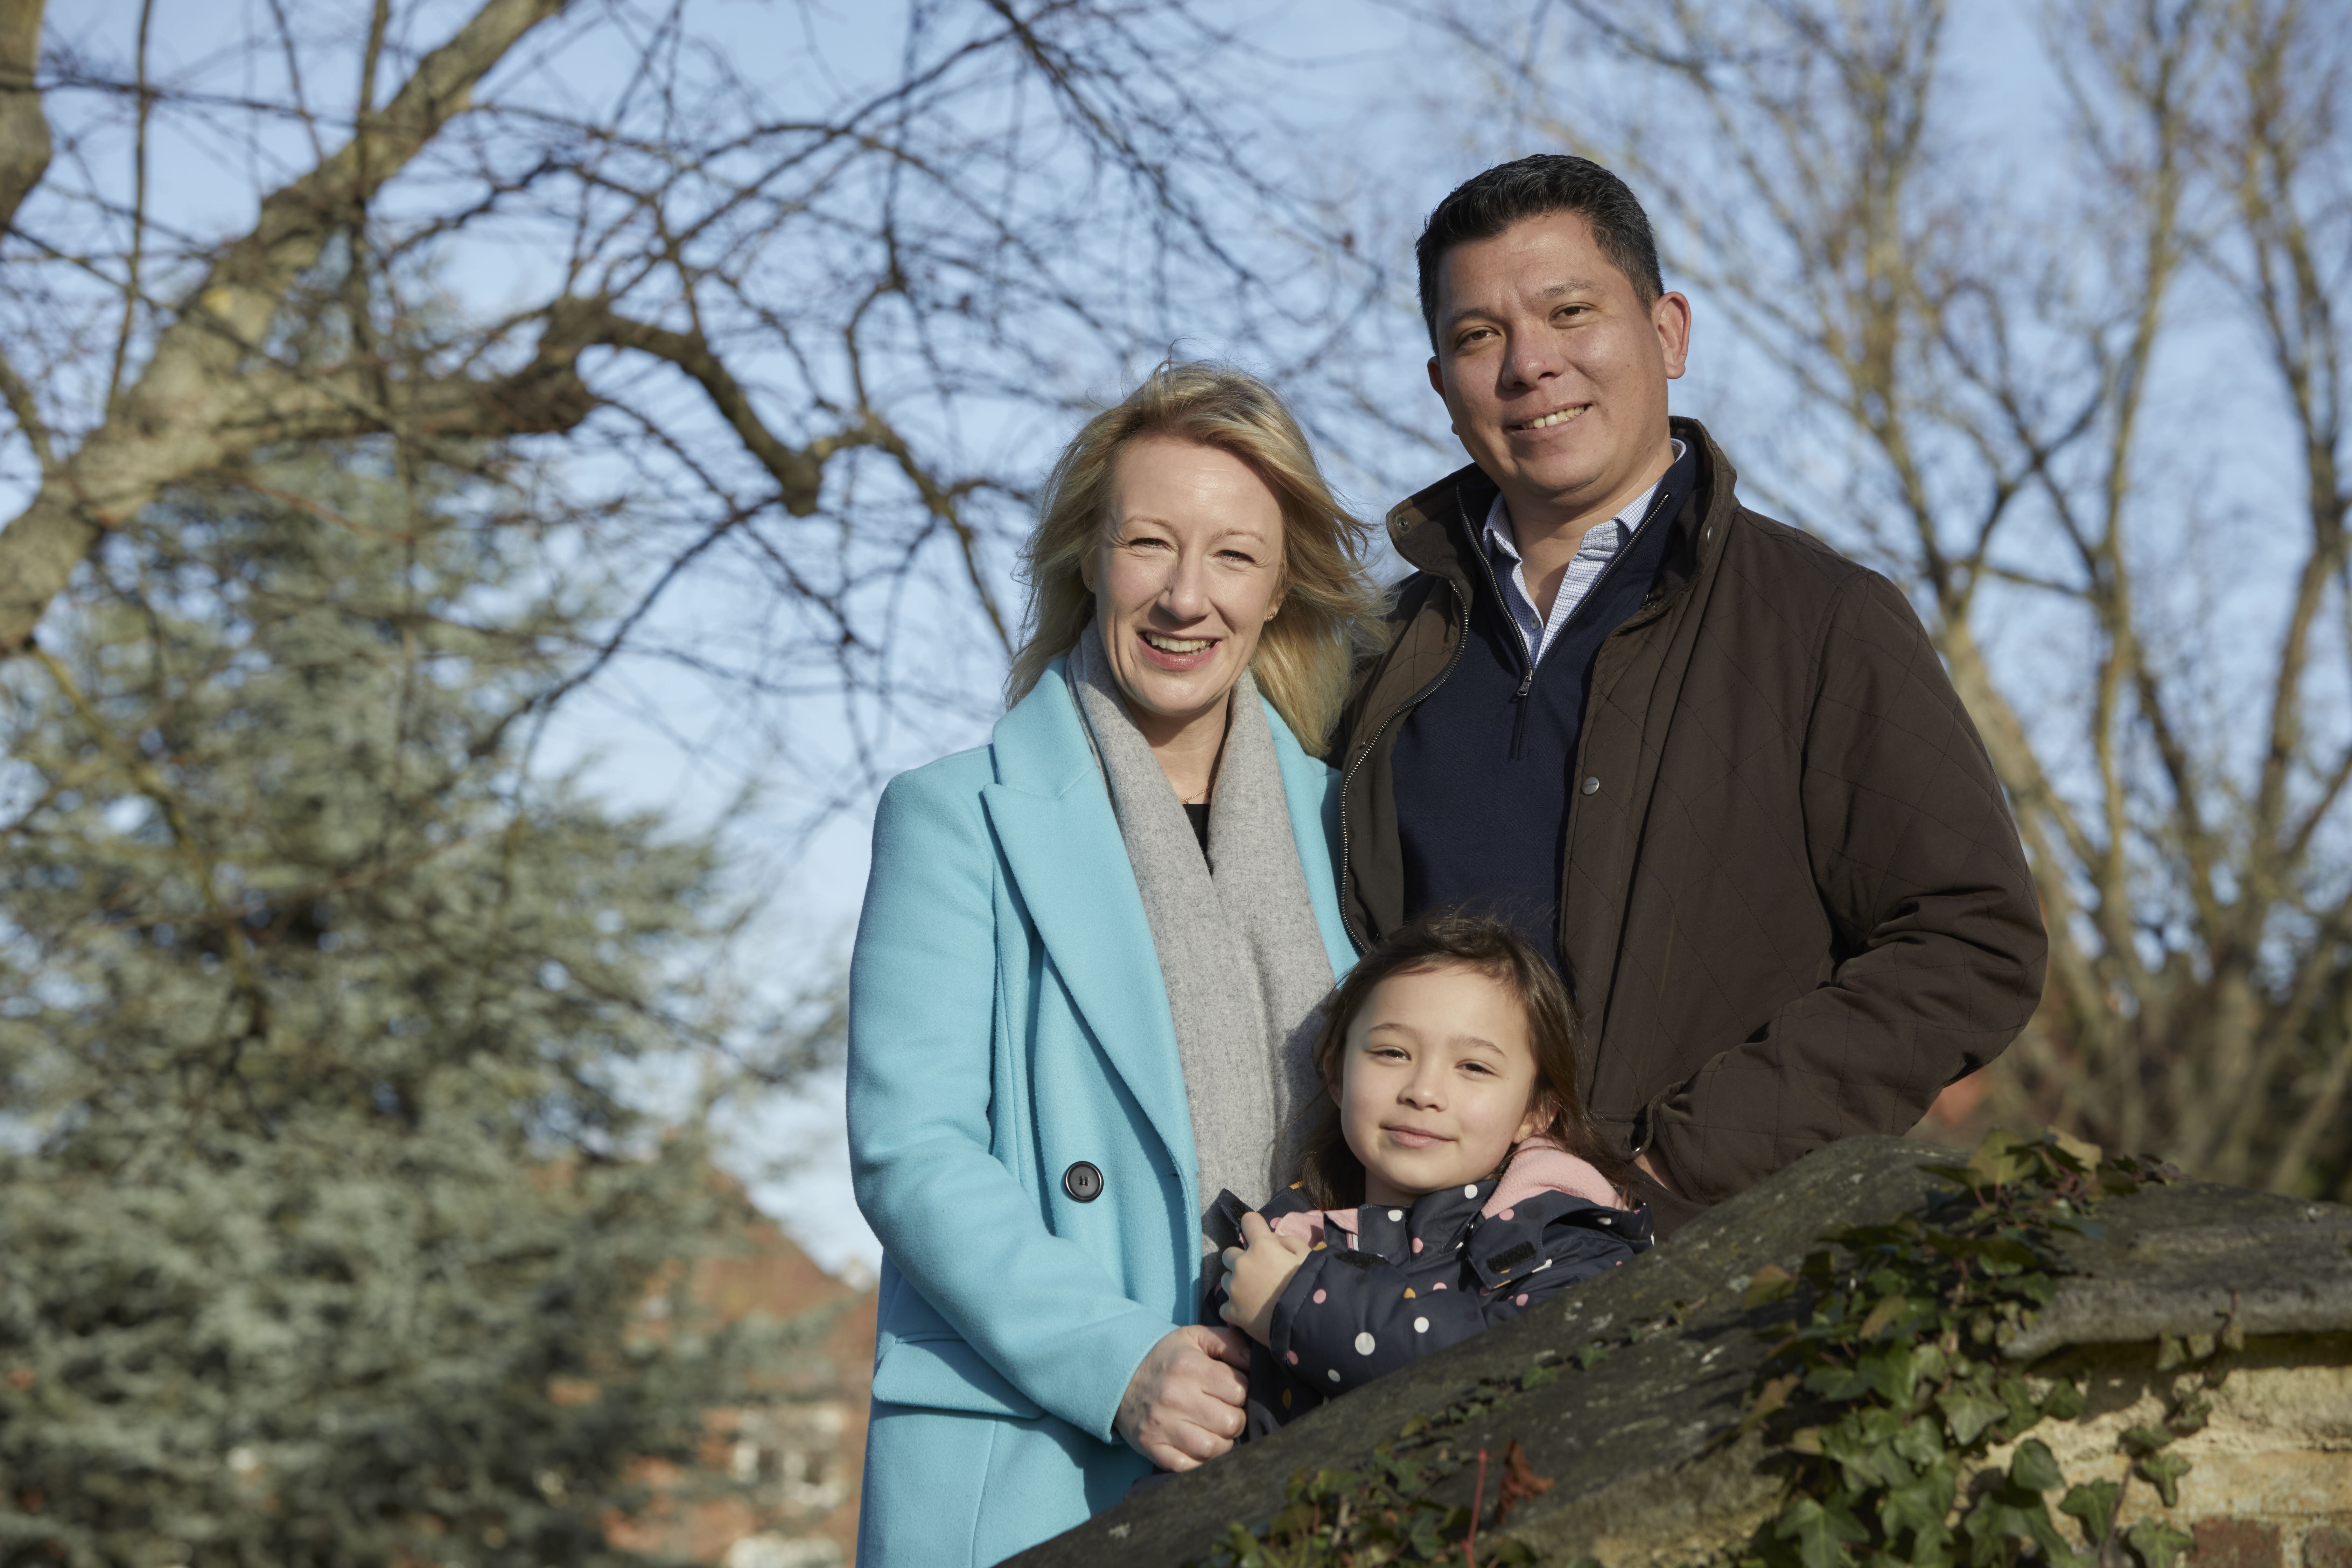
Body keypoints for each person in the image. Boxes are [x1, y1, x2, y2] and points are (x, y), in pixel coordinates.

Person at [1332, 154, 2047, 1238]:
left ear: (1668, 332)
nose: (1531, 364)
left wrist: (1661, 1173)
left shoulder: (1820, 620)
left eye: (1570, 312)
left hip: (1696, 1285)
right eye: (1480, 337)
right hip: (1401, 1292)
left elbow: (1970, 940)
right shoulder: (1378, 660)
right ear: (1442, 384)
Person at [847, 363, 1379, 1566]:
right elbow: (912, 1151)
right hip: (1038, 1452)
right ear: (1090, 556)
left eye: (1234, 557)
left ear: (1279, 584)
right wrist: (1116, 1361)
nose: (1188, 597)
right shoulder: (956, 816)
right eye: (1151, 544)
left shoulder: (1349, 827)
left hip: (1304, 1445)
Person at [1206, 911, 1649, 1432]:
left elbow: (1508, 1376)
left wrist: (1295, 1303)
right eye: (1392, 1052)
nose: (1424, 1091)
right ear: (1335, 1074)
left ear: (1536, 1112)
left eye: (1474, 1067)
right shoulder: (1282, 1242)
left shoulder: (1574, 1241)